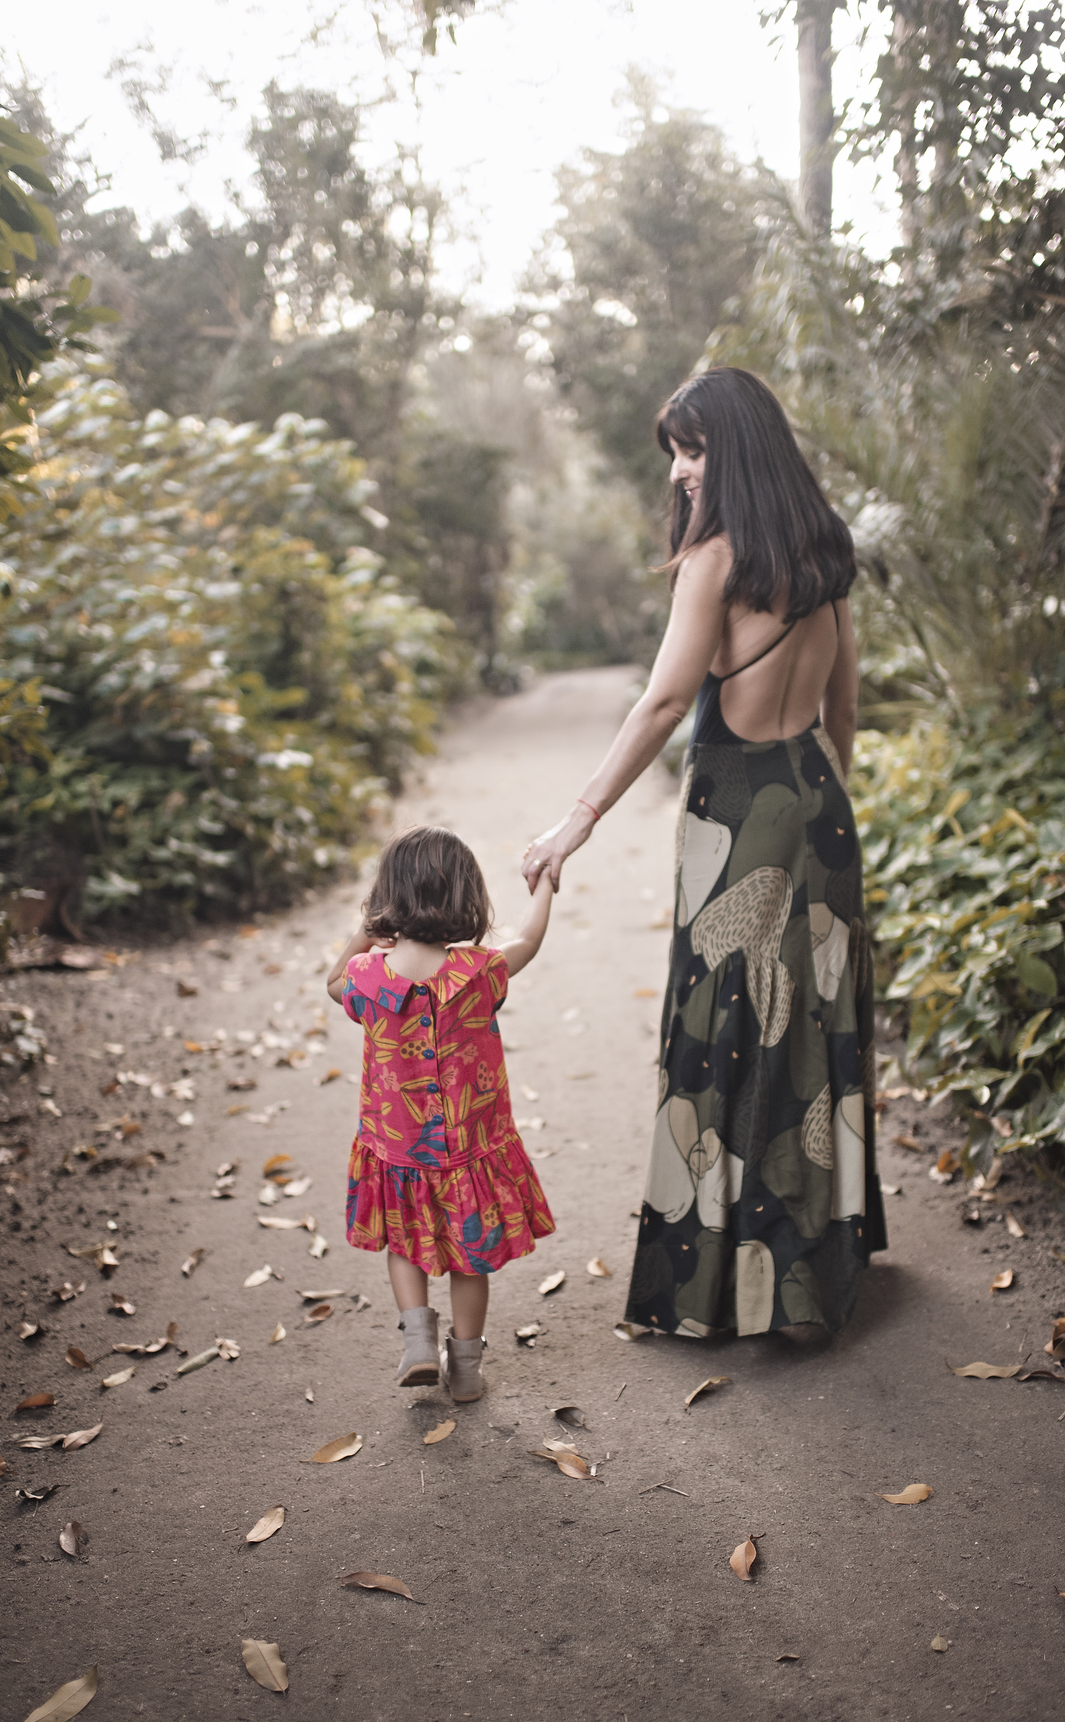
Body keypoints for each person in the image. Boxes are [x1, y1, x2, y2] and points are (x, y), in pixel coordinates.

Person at [520, 366, 886, 1346]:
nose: (682, 471)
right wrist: (827, 811)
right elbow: (844, 708)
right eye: (674, 452)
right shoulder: (824, 549)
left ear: (736, 445)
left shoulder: (714, 563)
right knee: (812, 1029)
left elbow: (665, 704)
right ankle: (818, 1264)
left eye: (693, 448)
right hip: (819, 802)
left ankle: (725, 1286)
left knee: (724, 1035)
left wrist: (577, 819)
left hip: (738, 814)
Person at [327, 825, 556, 1401]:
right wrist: (546, 884)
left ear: (388, 899)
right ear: (465, 897)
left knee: (406, 1245)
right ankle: (467, 1368)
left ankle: (417, 1343)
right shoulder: (479, 973)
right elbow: (527, 941)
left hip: (398, 1149)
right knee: (469, 1258)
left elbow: (331, 981)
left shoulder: (366, 976)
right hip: (469, 1150)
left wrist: (366, 928)